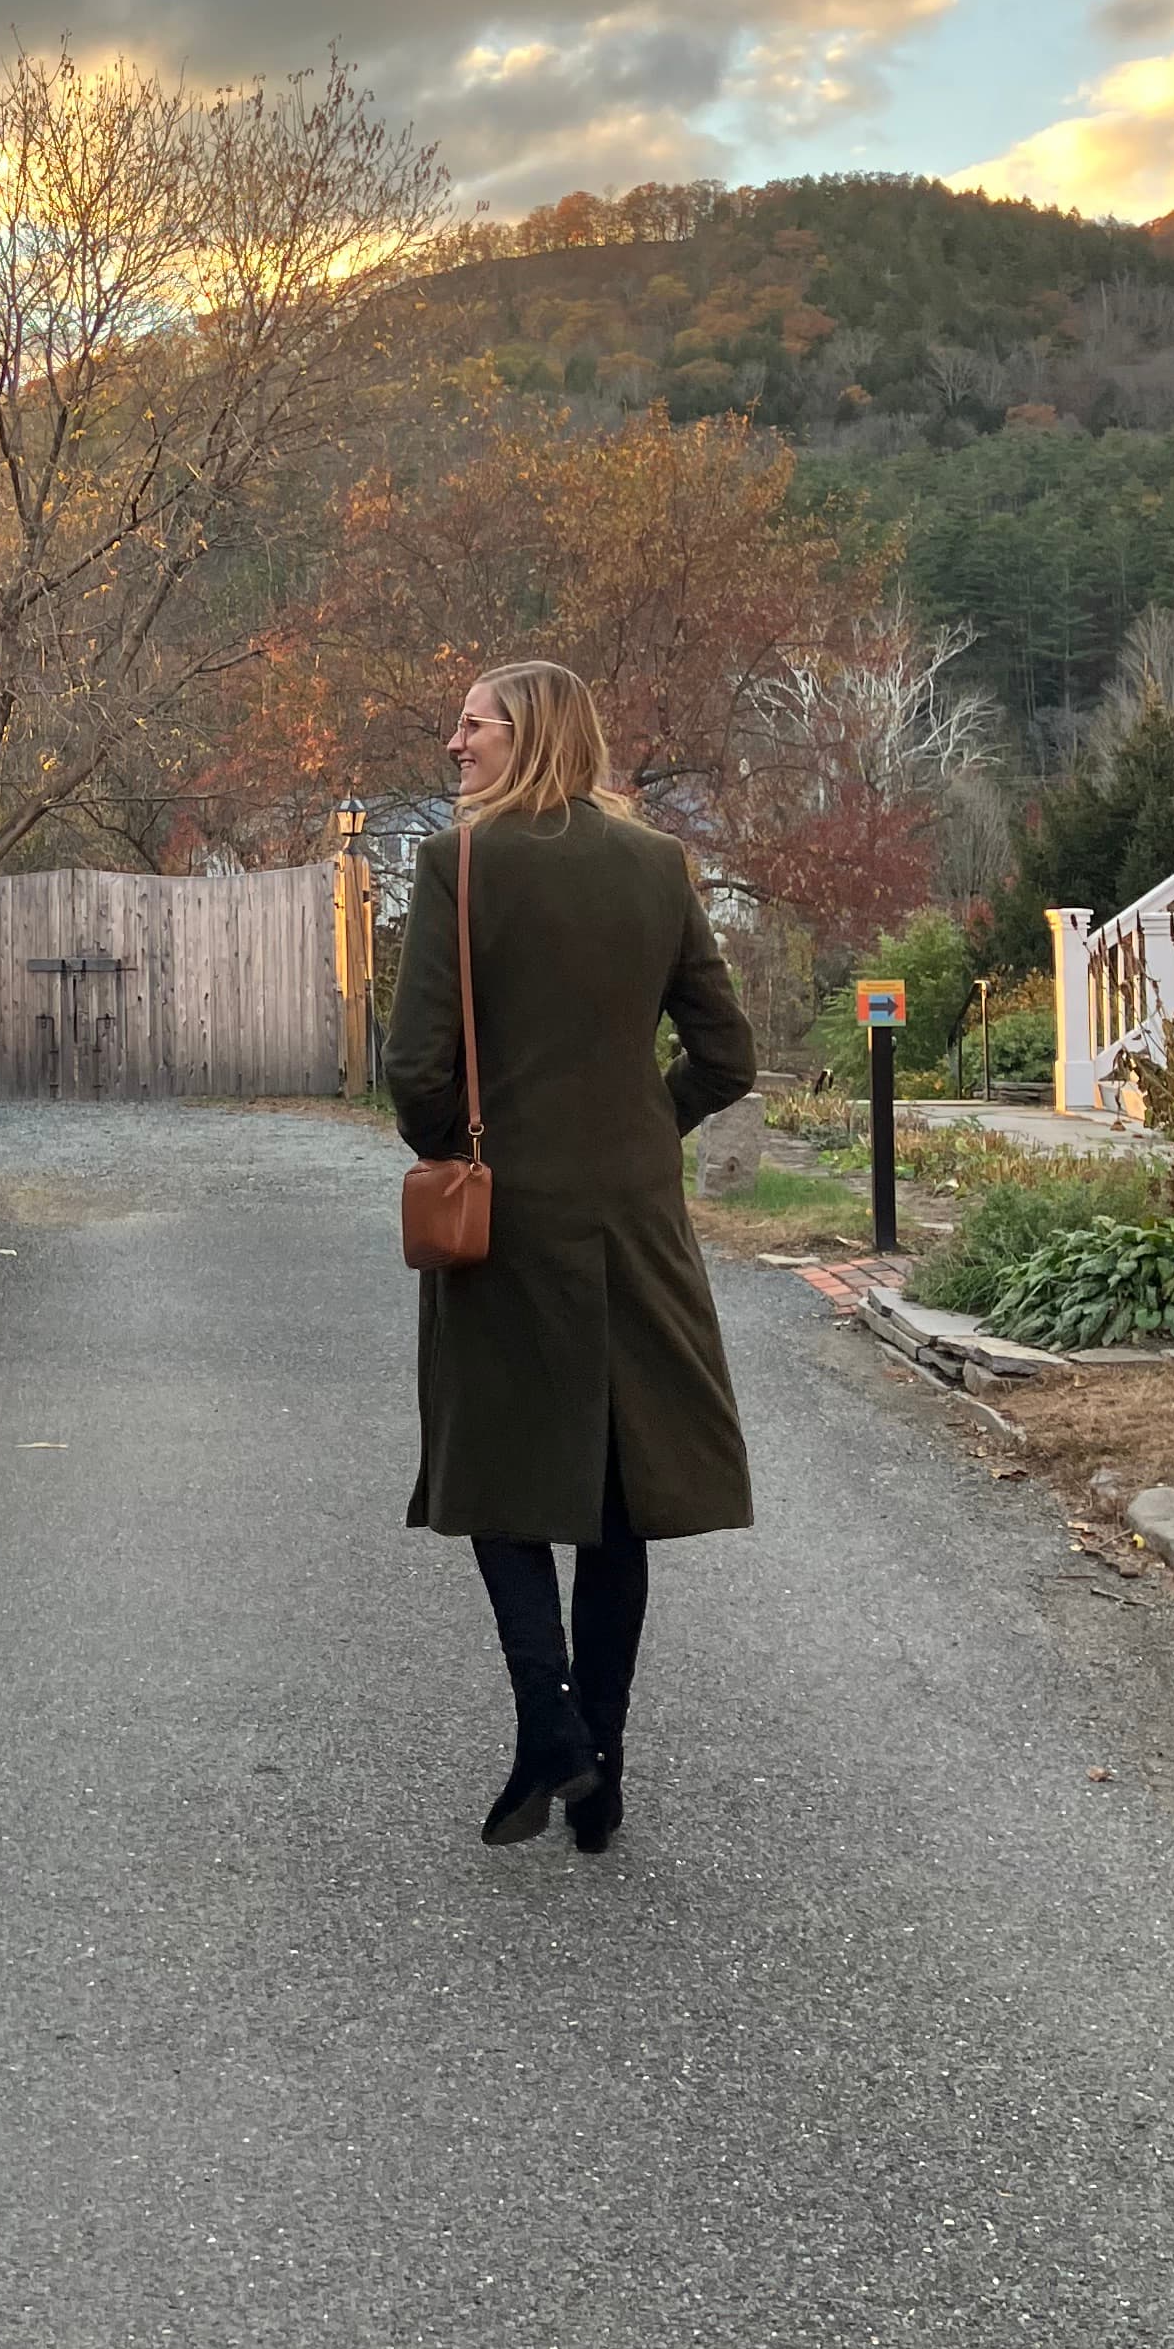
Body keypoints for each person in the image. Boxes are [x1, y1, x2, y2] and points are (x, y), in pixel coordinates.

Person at [382, 659, 757, 1854]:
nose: (455, 745)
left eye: (473, 726)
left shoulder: (463, 864)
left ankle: (552, 1734)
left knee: (501, 1479)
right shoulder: (656, 865)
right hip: (635, 1218)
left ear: (527, 734)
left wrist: (462, 1147)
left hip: (508, 1221)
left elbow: (414, 1069)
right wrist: (652, 1124)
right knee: (615, 1496)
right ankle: (604, 1758)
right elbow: (727, 1052)